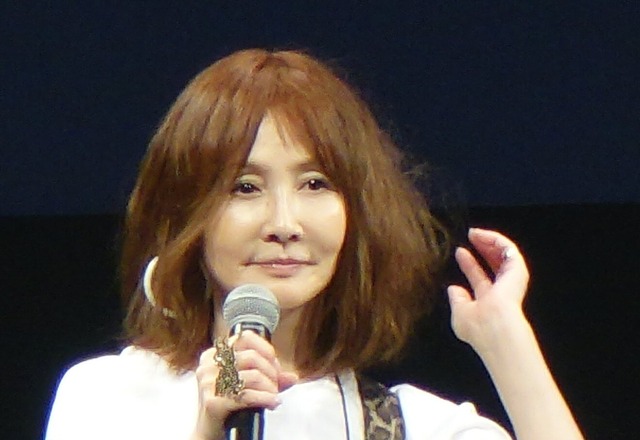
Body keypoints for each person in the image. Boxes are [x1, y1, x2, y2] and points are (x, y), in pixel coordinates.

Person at [45, 49, 583, 440]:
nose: (285, 223)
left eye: (315, 184)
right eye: (245, 188)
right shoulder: (108, 395)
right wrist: (210, 425)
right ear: (188, 217)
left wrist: (504, 338)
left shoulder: (414, 425)